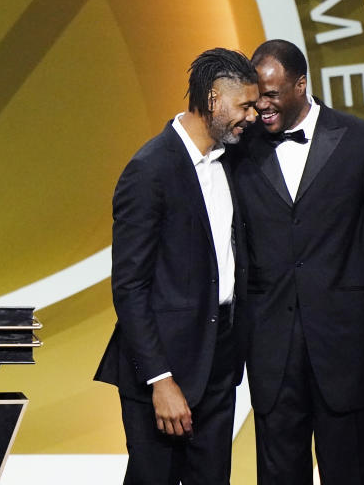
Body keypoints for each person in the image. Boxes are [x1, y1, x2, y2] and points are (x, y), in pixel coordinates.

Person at [232, 39, 364, 484]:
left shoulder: (362, 143)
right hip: (272, 347)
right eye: (258, 95)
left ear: (301, 85)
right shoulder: (242, 148)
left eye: (273, 95)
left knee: (351, 472)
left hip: (346, 347)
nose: (263, 105)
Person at [95, 48, 259, 485]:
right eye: (244, 105)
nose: (252, 116)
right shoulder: (149, 170)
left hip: (220, 360)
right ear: (212, 99)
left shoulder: (232, 162)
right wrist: (160, 380)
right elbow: (129, 286)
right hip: (163, 371)